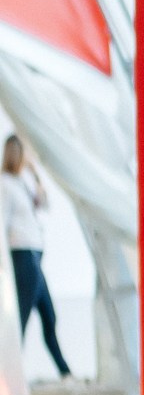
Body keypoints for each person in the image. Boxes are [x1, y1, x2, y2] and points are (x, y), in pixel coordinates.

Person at [2, 135, 68, 378]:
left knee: (49, 316)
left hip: (35, 257)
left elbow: (45, 204)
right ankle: (10, 374)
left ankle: (65, 371)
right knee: (21, 318)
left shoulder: (22, 182)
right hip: (22, 256)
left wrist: (35, 174)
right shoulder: (5, 184)